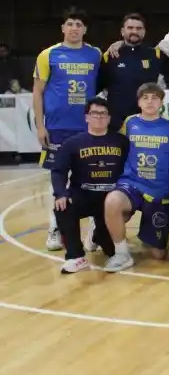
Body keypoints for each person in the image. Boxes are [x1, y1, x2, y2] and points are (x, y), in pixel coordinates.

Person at [33, 6, 102, 252]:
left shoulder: (95, 55)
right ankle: (55, 227)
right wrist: (40, 126)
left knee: (92, 178)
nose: (74, 28)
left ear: (85, 29)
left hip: (87, 128)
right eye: (70, 24)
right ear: (63, 27)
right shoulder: (48, 55)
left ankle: (97, 230)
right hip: (58, 128)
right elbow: (38, 93)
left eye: (79, 25)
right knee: (58, 179)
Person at [102, 83, 169, 272]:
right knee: (112, 201)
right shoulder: (130, 123)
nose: (150, 102)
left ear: (161, 102)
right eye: (145, 98)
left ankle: (149, 234)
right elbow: (119, 148)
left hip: (159, 190)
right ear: (139, 102)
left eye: (154, 98)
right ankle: (122, 254)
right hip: (132, 184)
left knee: (159, 255)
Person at [51, 98, 126, 274]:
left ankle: (98, 234)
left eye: (103, 114)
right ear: (86, 117)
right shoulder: (73, 143)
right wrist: (60, 193)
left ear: (109, 118)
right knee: (63, 207)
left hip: (109, 199)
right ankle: (75, 256)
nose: (99, 117)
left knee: (111, 251)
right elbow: (58, 171)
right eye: (94, 113)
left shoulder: (121, 142)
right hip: (83, 194)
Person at [98, 13, 169, 132]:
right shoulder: (110, 56)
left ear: (144, 31)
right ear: (122, 31)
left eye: (138, 28)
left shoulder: (156, 55)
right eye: (130, 28)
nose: (134, 31)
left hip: (146, 119)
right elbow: (100, 86)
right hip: (117, 121)